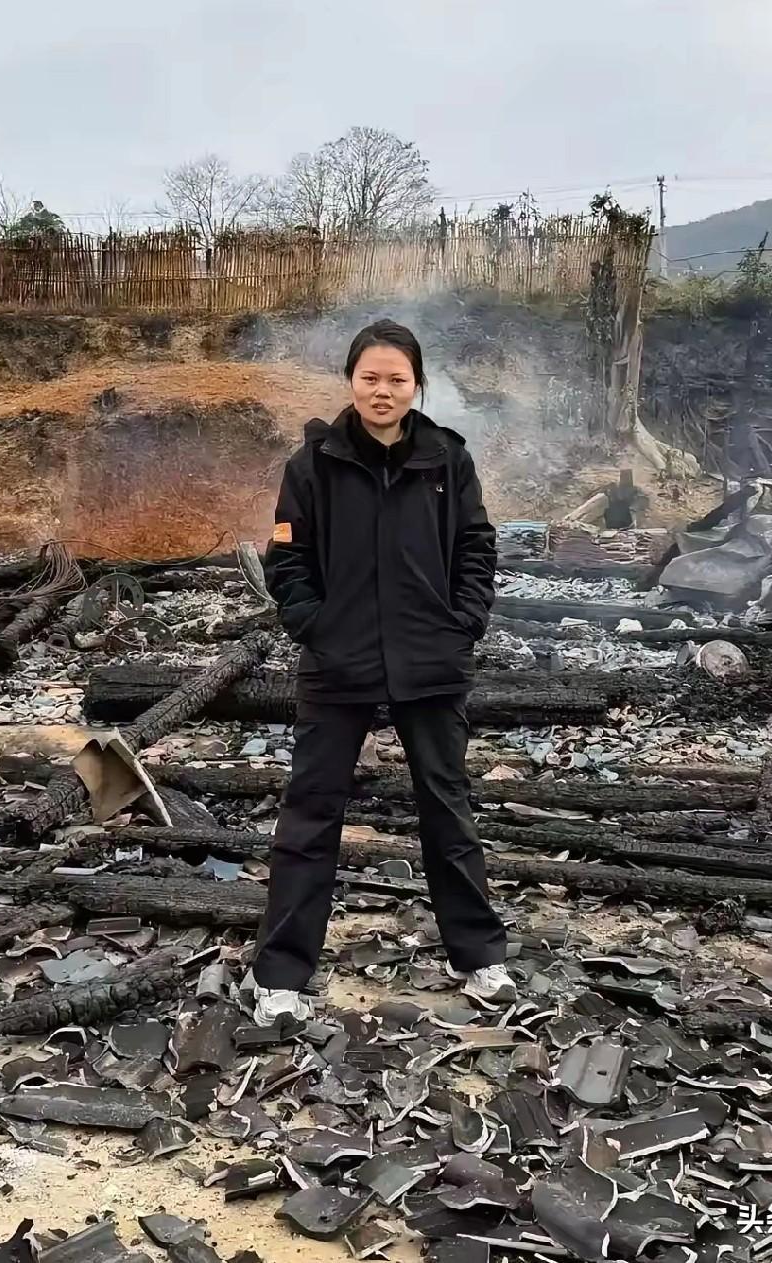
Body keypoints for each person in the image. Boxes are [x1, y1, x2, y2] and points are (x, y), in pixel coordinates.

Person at [250, 319, 512, 1027]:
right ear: (350, 382)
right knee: (309, 814)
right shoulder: (312, 466)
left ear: (416, 384)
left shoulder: (447, 461)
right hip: (340, 663)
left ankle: (479, 956)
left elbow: (477, 546)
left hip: (432, 661)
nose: (383, 390)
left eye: (397, 378)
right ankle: (280, 971)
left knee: (447, 809)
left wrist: (464, 621)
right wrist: (315, 625)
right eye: (371, 377)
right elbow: (287, 559)